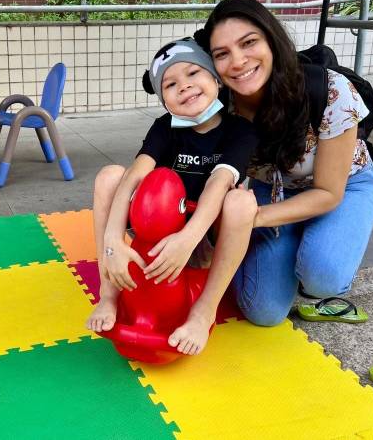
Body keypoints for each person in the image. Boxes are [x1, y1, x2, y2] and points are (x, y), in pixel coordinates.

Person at [195, 0, 373, 326]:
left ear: (272, 41)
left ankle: (325, 244)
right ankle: (294, 245)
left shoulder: (331, 89)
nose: (237, 61)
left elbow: (328, 192)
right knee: (262, 311)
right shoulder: (217, 108)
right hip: (273, 189)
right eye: (222, 54)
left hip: (343, 186)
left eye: (249, 43)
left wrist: (248, 221)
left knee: (322, 273)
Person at [85, 38, 259, 355]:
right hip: (157, 226)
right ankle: (108, 295)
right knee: (110, 176)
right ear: (163, 98)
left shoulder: (240, 130)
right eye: (170, 84)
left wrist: (189, 239)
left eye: (194, 73)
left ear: (216, 79)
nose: (185, 87)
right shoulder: (166, 127)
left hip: (204, 233)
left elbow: (218, 183)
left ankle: (203, 310)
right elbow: (135, 173)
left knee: (241, 201)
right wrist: (113, 240)